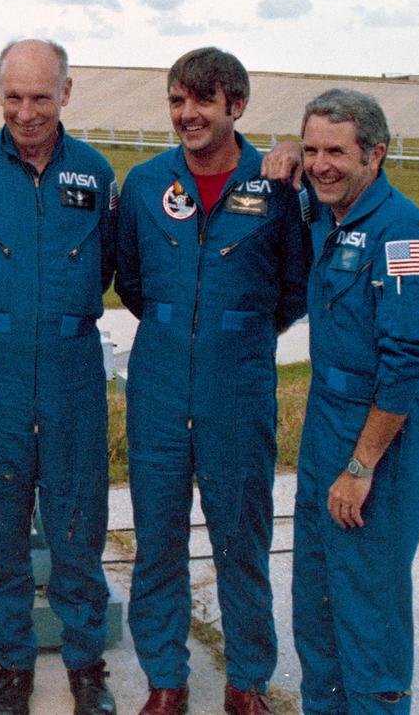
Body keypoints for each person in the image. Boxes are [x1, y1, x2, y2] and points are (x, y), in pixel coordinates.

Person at [114, 47, 310, 715]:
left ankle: (247, 679)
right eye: (177, 101)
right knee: (158, 541)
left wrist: (236, 330)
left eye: (202, 100)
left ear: (237, 105)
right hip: (159, 385)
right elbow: (131, 281)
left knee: (241, 539)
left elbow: (294, 286)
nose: (187, 114)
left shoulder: (276, 184)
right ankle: (165, 678)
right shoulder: (146, 183)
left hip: (239, 385)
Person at [0, 38, 118, 715]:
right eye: (14, 97)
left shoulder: (94, 172)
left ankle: (86, 663)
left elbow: (106, 266)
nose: (26, 112)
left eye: (40, 97)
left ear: (66, 93)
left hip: (72, 369)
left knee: (77, 518)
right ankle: (12, 661)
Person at [292, 89, 419, 715]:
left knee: (368, 609)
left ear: (375, 155)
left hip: (379, 433)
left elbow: (405, 364)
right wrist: (286, 157)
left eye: (336, 151)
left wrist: (361, 467)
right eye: (311, 150)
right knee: (316, 601)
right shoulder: (329, 213)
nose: (320, 165)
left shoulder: (403, 232)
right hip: (324, 422)